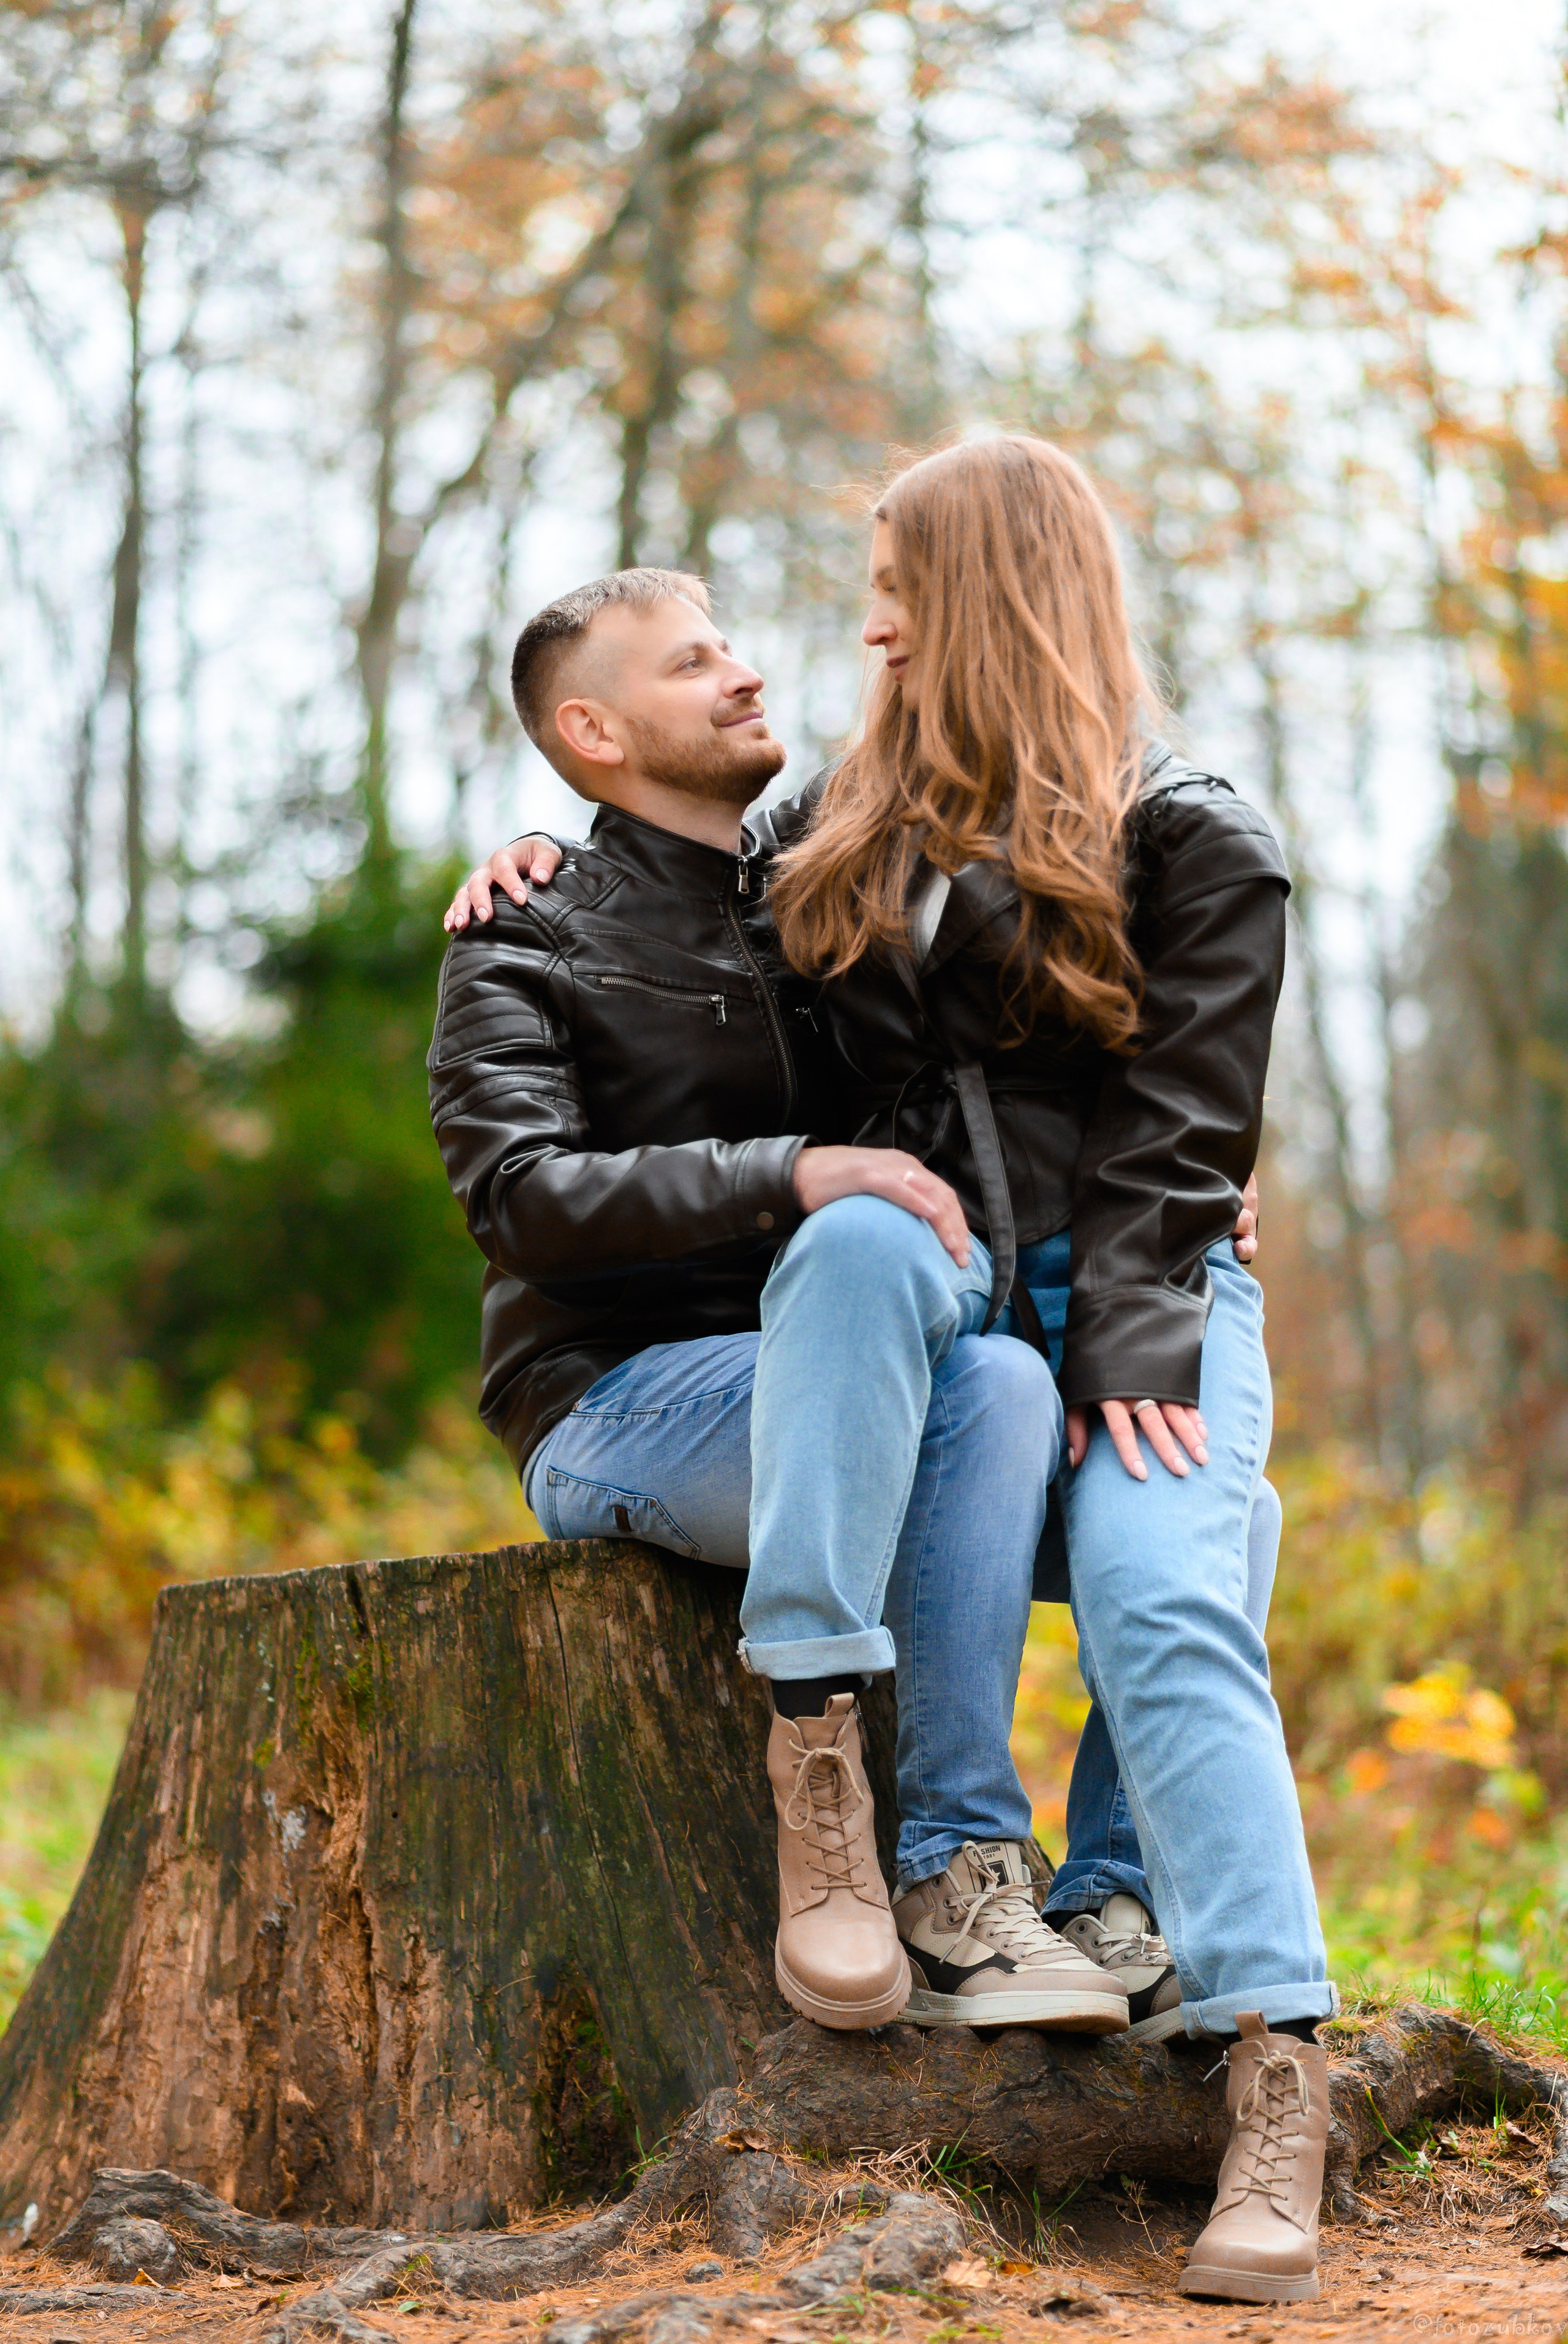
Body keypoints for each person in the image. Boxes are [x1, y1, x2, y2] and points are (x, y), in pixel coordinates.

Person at [452, 437, 1335, 2308]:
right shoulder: (836, 829)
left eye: (894, 585)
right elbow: (672, 917)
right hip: (938, 1301)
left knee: (1176, 1582)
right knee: (986, 1377)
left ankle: (1269, 2065)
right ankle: (912, 1828)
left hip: (1135, 1282)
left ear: (987, 594)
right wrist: (539, 852)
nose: (857, 626)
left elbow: (1184, 1133)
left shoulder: (1196, 833)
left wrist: (1149, 1292)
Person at [428, 565, 1129, 2043]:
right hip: (616, 1401)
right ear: (592, 729)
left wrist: (1183, 1174)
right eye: (692, 663)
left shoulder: (829, 894)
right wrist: (787, 1170)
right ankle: (817, 1772)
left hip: (864, 1381)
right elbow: (520, 1199)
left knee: (1022, 1389)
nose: (744, 675)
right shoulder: (525, 930)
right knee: (870, 1238)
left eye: (733, 648)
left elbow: (1002, 1066)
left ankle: (960, 1869)